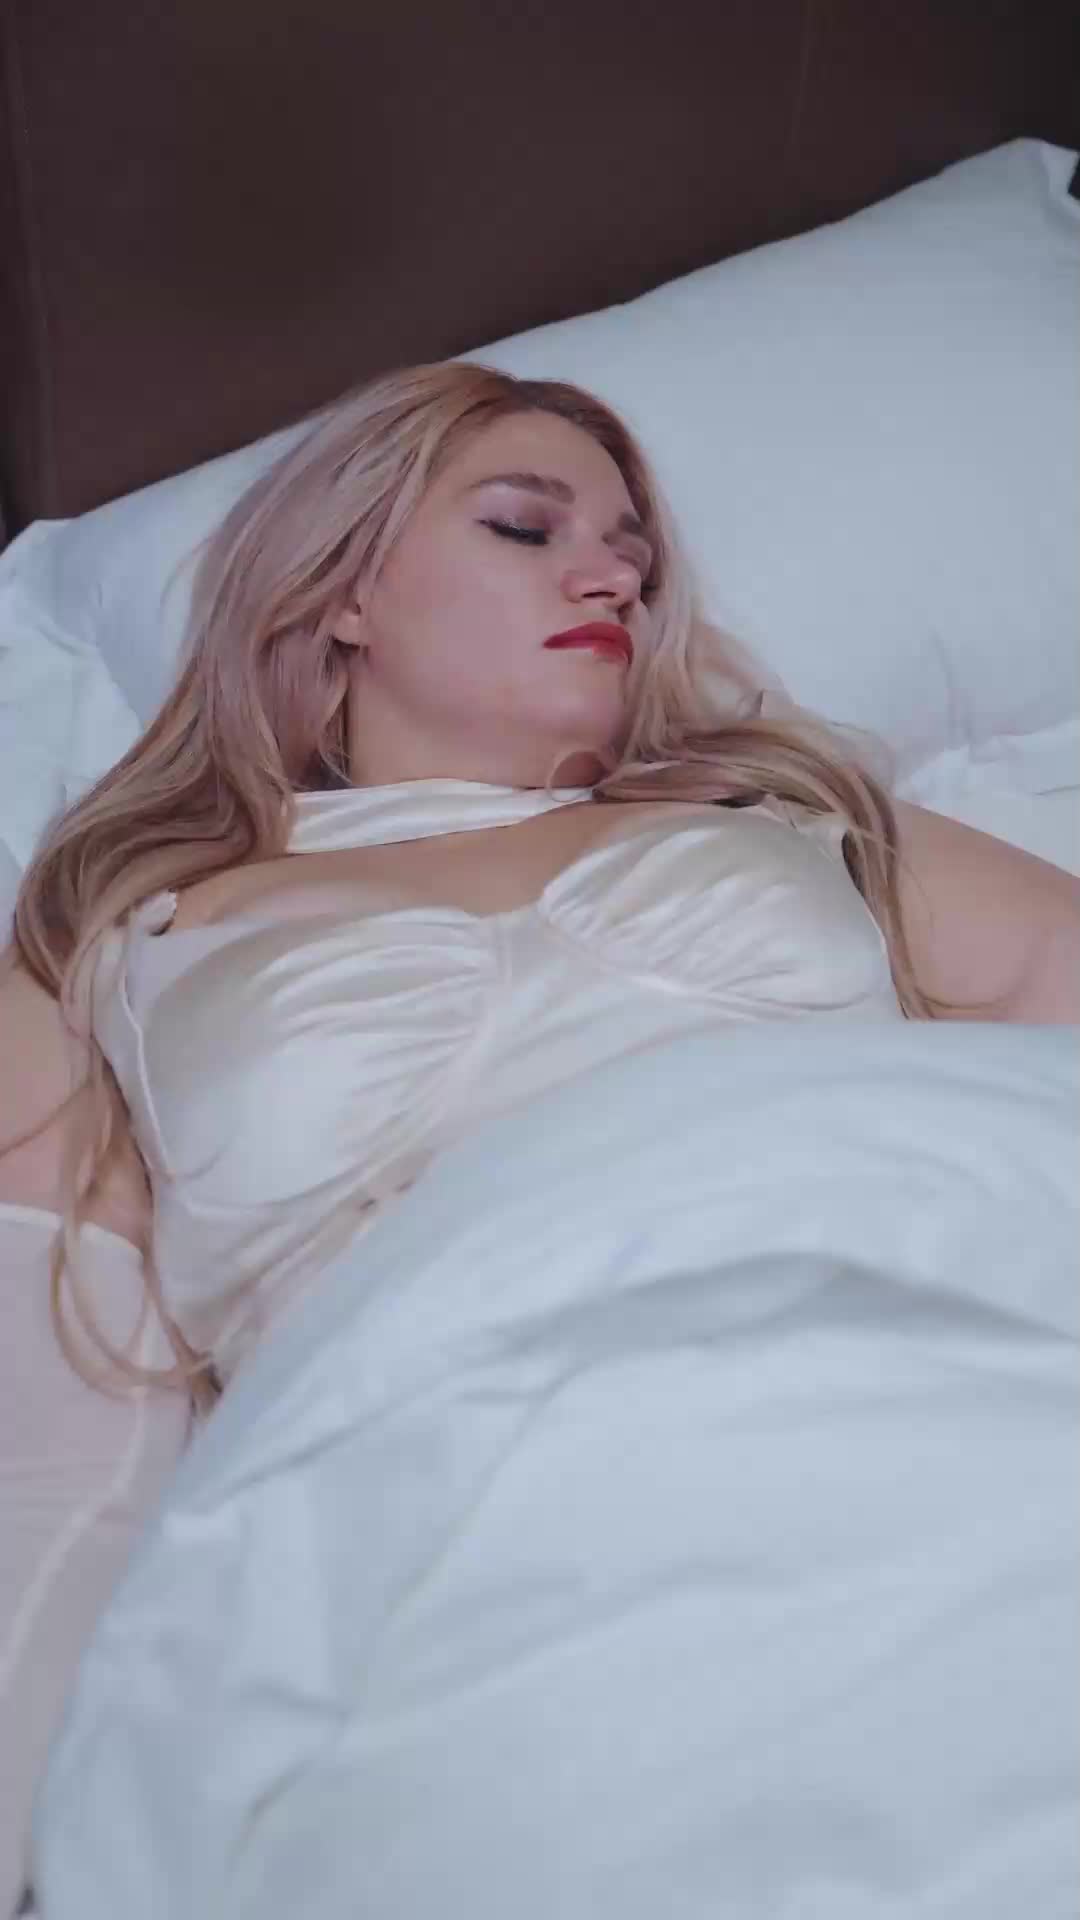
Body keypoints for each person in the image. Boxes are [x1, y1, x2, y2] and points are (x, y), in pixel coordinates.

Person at [1, 361, 1078, 1910]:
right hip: (456, 1490)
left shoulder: (796, 822)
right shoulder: (112, 940)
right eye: (526, 526)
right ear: (343, 592)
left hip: (918, 1346)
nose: (611, 578)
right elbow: (58, 1431)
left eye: (633, 556)